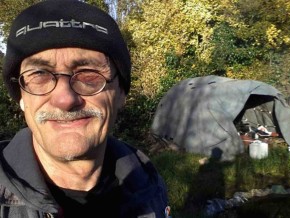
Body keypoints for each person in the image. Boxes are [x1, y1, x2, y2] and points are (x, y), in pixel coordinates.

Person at [0, 0, 169, 217]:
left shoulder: (146, 183)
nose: (65, 99)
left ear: (121, 92)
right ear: (21, 96)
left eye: (89, 75)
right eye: (39, 74)